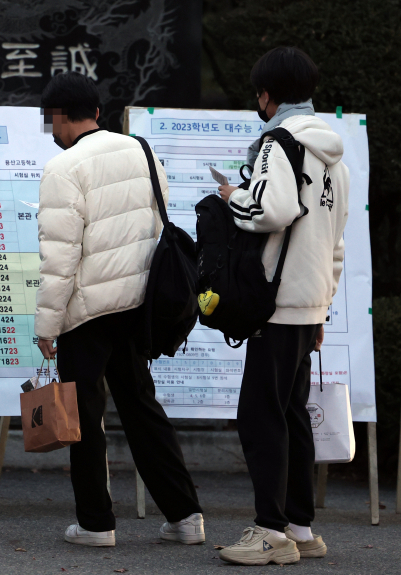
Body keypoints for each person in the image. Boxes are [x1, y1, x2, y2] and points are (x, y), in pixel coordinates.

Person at [35, 71, 203, 547]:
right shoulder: (142, 152)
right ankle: (186, 516)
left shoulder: (63, 168)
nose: (52, 130)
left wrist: (47, 324)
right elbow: (154, 224)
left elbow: (60, 257)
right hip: (137, 304)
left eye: (51, 119)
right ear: (99, 112)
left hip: (87, 313)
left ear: (61, 116)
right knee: (142, 407)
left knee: (84, 416)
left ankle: (95, 523)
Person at [216, 47, 349, 565]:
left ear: (267, 95)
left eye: (259, 94)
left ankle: (270, 532)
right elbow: (335, 239)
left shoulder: (279, 142)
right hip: (308, 301)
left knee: (260, 416)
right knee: (290, 414)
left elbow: (270, 210)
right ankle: (300, 526)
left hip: (276, 303)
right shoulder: (333, 153)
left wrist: (231, 195)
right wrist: (322, 307)